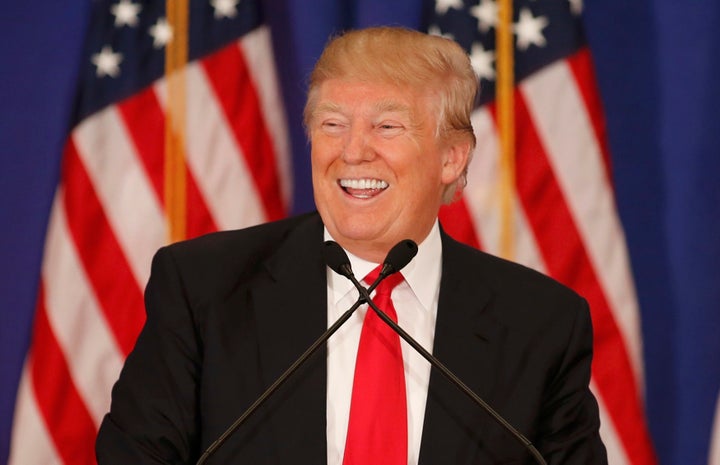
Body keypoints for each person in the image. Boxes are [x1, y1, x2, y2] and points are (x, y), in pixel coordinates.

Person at [96, 27, 607, 464]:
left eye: (386, 126)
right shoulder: (205, 289)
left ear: (452, 157)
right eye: (333, 125)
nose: (353, 151)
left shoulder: (541, 325)